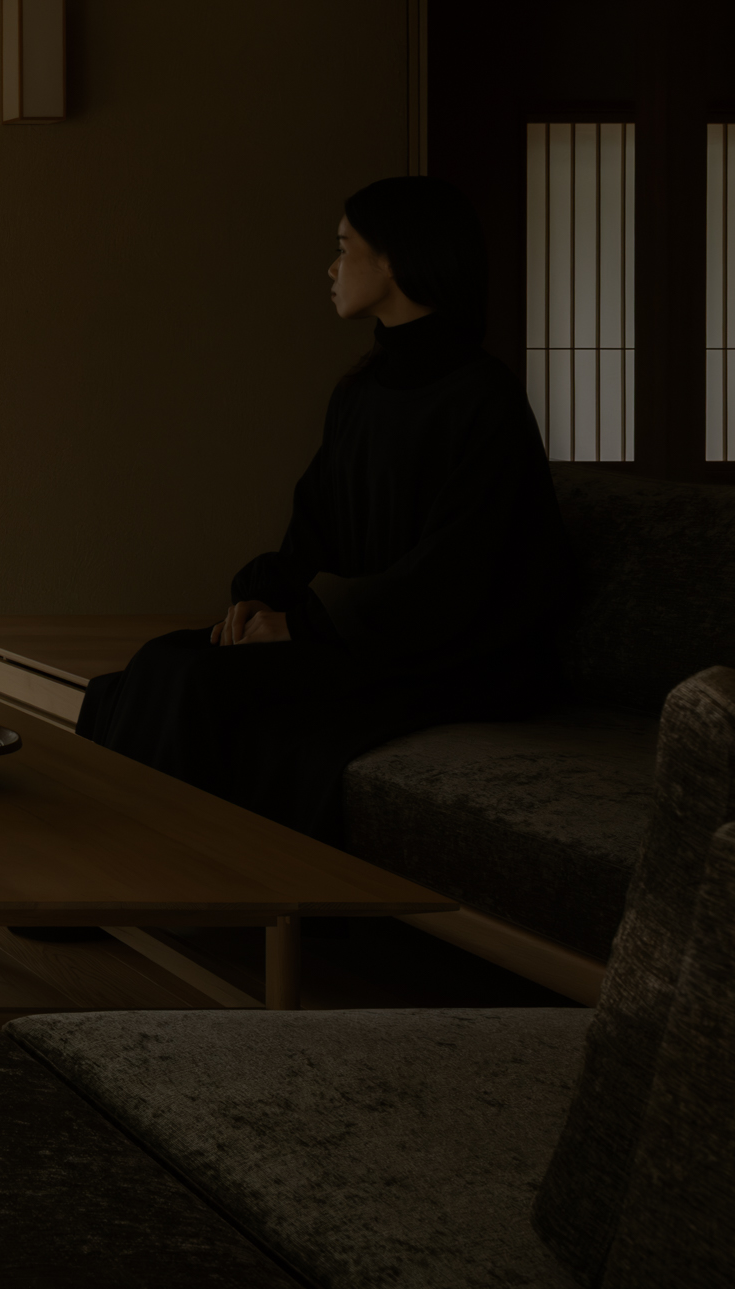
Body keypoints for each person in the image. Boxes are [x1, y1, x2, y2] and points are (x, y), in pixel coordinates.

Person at [77, 176, 573, 841]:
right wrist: (264, 598)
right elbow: (315, 525)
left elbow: (454, 573)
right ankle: (102, 869)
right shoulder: (361, 391)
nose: (332, 268)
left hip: (447, 654)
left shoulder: (485, 398)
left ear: (395, 258)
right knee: (158, 662)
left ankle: (159, 875)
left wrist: (305, 624)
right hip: (350, 634)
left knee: (200, 683)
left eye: (345, 248)